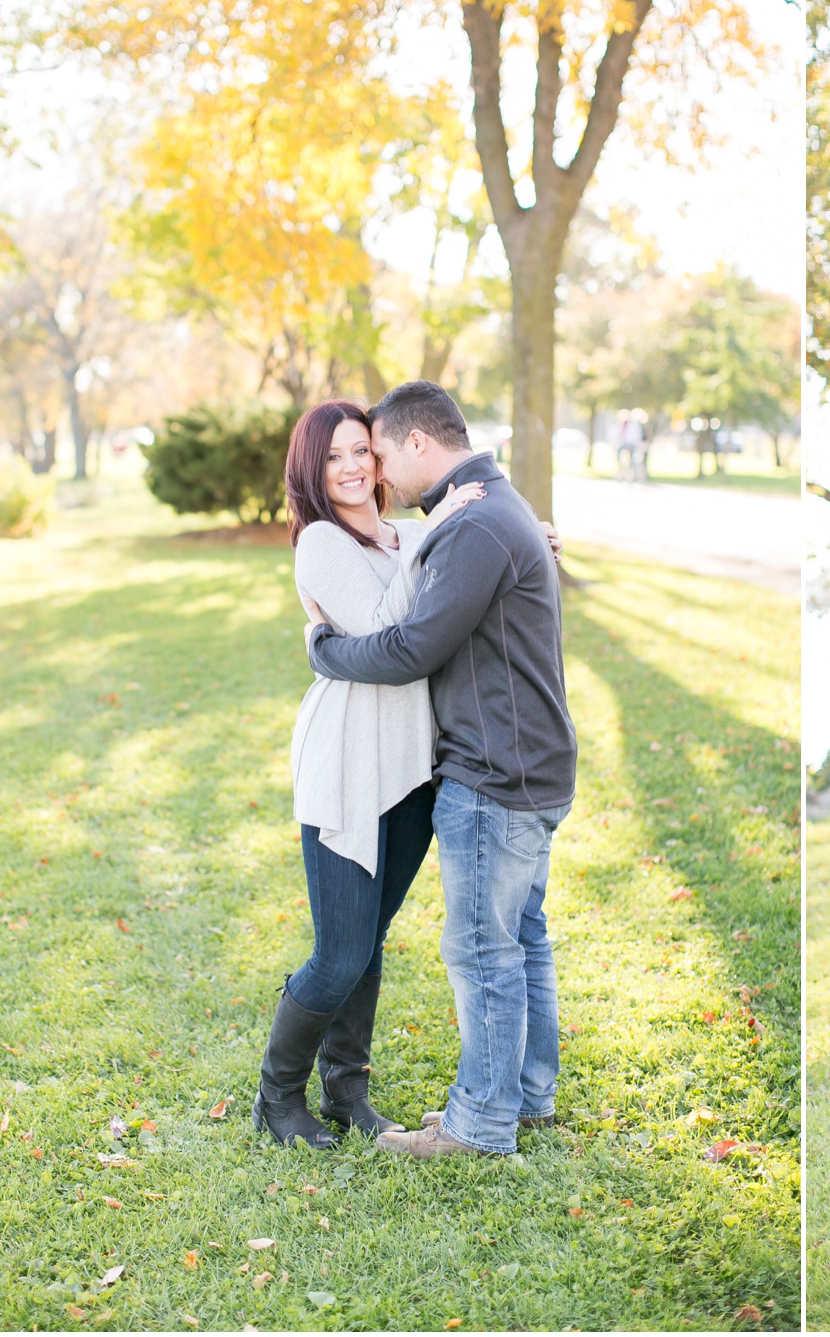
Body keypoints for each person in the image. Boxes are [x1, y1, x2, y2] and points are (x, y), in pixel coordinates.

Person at [305, 380, 578, 1159]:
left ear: (418, 443)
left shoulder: (477, 523)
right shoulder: (498, 504)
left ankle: (481, 1125)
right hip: (531, 760)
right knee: (521, 936)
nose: (378, 471)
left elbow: (408, 648)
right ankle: (527, 1097)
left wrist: (324, 651)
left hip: (495, 769)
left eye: (381, 452)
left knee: (483, 948)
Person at [254, 400, 482, 1148]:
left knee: (371, 939)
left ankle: (346, 1090)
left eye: (362, 450)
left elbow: (450, 560)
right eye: (334, 457)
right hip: (348, 764)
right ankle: (277, 1097)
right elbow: (388, 626)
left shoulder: (400, 535)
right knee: (340, 950)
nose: (352, 467)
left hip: (412, 767)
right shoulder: (322, 541)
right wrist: (442, 532)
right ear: (311, 472)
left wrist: (510, 534)